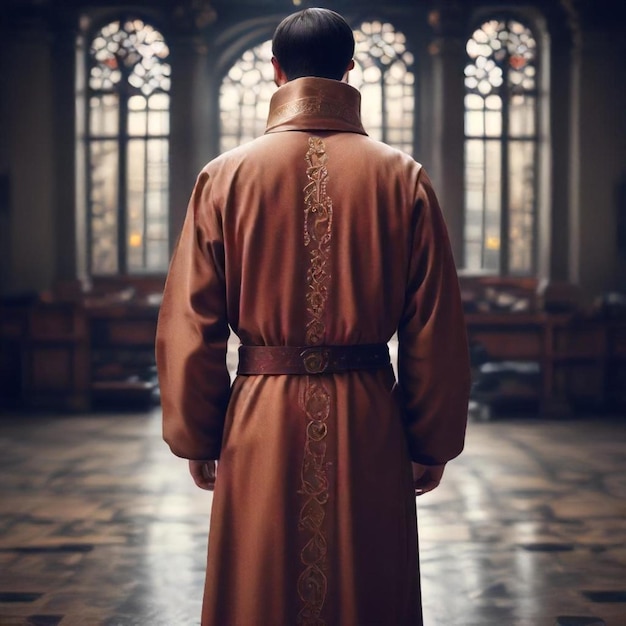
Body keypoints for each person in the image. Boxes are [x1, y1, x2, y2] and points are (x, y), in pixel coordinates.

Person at [156, 7, 471, 626]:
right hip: (368, 416)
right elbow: (434, 325)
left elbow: (191, 322)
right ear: (350, 71)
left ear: (275, 71)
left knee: (260, 583)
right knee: (367, 582)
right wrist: (431, 437)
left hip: (259, 416)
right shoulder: (402, 177)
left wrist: (196, 430)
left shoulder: (224, 177)